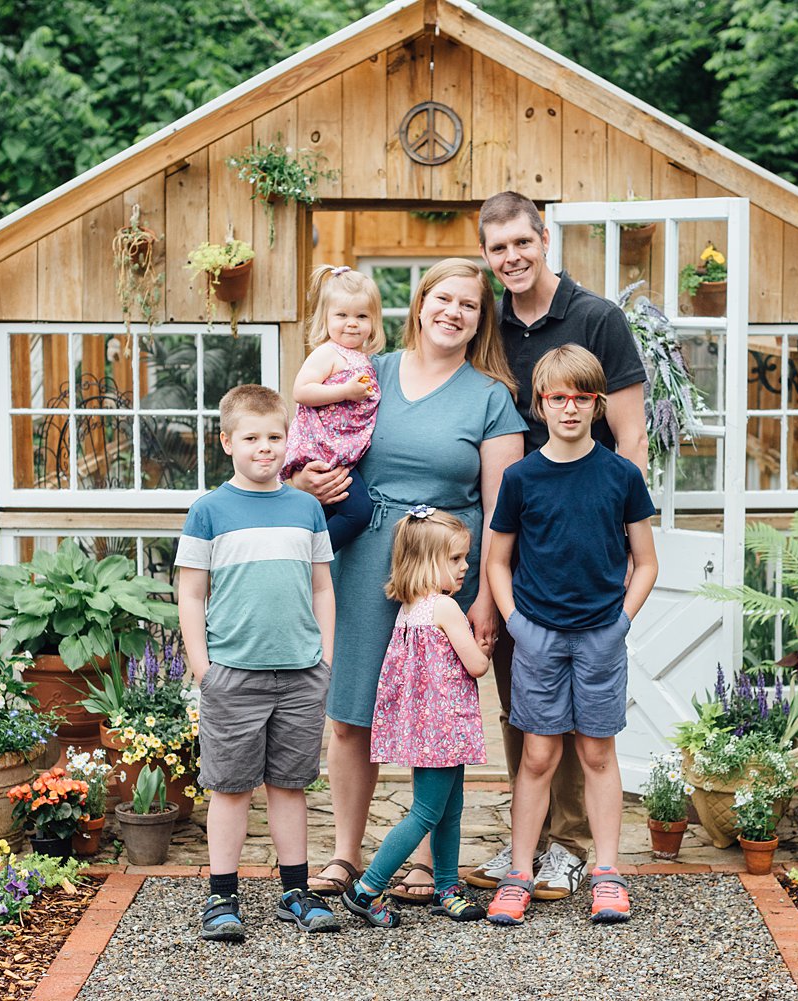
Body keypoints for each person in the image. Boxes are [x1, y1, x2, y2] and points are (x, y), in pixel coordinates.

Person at [291, 259, 526, 903]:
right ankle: (345, 851)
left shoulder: (490, 397)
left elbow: (503, 508)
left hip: (447, 574)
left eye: (469, 305)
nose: (453, 312)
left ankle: (426, 860)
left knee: (435, 718)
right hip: (367, 554)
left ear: (481, 320)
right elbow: (309, 437)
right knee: (350, 713)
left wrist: (484, 595)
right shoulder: (368, 371)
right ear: (419, 305)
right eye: (442, 299)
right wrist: (303, 480)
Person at [467, 190, 650, 901]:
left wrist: (614, 535)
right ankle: (535, 841)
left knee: (589, 726)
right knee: (527, 707)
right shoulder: (491, 325)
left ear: (545, 238)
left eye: (522, 242)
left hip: (589, 538)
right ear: (487, 255)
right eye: (498, 248)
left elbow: (629, 435)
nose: (511, 258)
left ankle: (573, 847)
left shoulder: (597, 317)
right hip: (522, 526)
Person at [484, 345, 658, 926]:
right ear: (540, 404)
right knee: (536, 755)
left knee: (596, 752)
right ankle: (518, 872)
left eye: (582, 398)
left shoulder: (620, 475)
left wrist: (621, 622)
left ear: (598, 405)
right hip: (538, 636)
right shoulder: (522, 477)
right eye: (558, 397)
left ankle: (606, 874)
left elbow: (646, 562)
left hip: (599, 637)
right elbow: (498, 562)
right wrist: (515, 623)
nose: (570, 407)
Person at [176, 384, 341, 943]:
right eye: (251, 438)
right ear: (227, 442)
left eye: (275, 437)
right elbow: (191, 592)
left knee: (290, 785)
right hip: (233, 674)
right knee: (230, 787)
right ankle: (222, 898)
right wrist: (203, 666)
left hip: (299, 671)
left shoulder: (306, 508)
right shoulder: (209, 511)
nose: (265, 448)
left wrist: (326, 653)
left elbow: (322, 587)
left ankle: (296, 891)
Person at [341, 507, 490, 928]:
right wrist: (486, 645)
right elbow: (475, 665)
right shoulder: (443, 608)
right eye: (456, 559)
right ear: (428, 562)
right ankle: (368, 888)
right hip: (442, 729)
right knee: (427, 812)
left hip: (428, 729)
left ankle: (446, 887)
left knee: (450, 808)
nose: (465, 567)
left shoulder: (411, 608)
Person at [282, 265, 385, 551]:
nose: (352, 323)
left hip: (342, 453)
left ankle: (315, 562)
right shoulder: (327, 352)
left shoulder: (362, 358)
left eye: (362, 316)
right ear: (325, 318)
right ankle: (307, 556)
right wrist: (346, 392)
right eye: (342, 315)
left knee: (329, 511)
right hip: (324, 451)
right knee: (358, 512)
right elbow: (301, 391)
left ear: (374, 321)